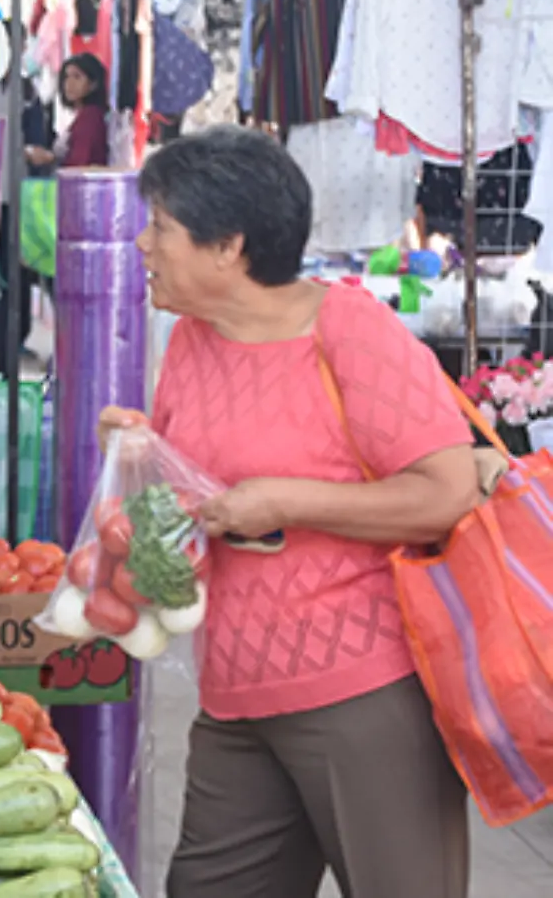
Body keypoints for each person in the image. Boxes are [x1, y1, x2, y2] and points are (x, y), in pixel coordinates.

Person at [99, 127, 475, 898]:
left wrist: (283, 500)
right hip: (235, 695)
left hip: (364, 695)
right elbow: (190, 502)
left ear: (228, 245)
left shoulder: (350, 330)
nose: (143, 243)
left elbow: (445, 490)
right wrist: (142, 455)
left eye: (161, 225)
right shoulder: (192, 343)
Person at [25, 53, 110, 169]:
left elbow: (80, 165)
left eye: (77, 77)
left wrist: (50, 158)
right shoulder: (82, 116)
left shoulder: (90, 118)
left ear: (93, 84)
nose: (69, 83)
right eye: (66, 77)